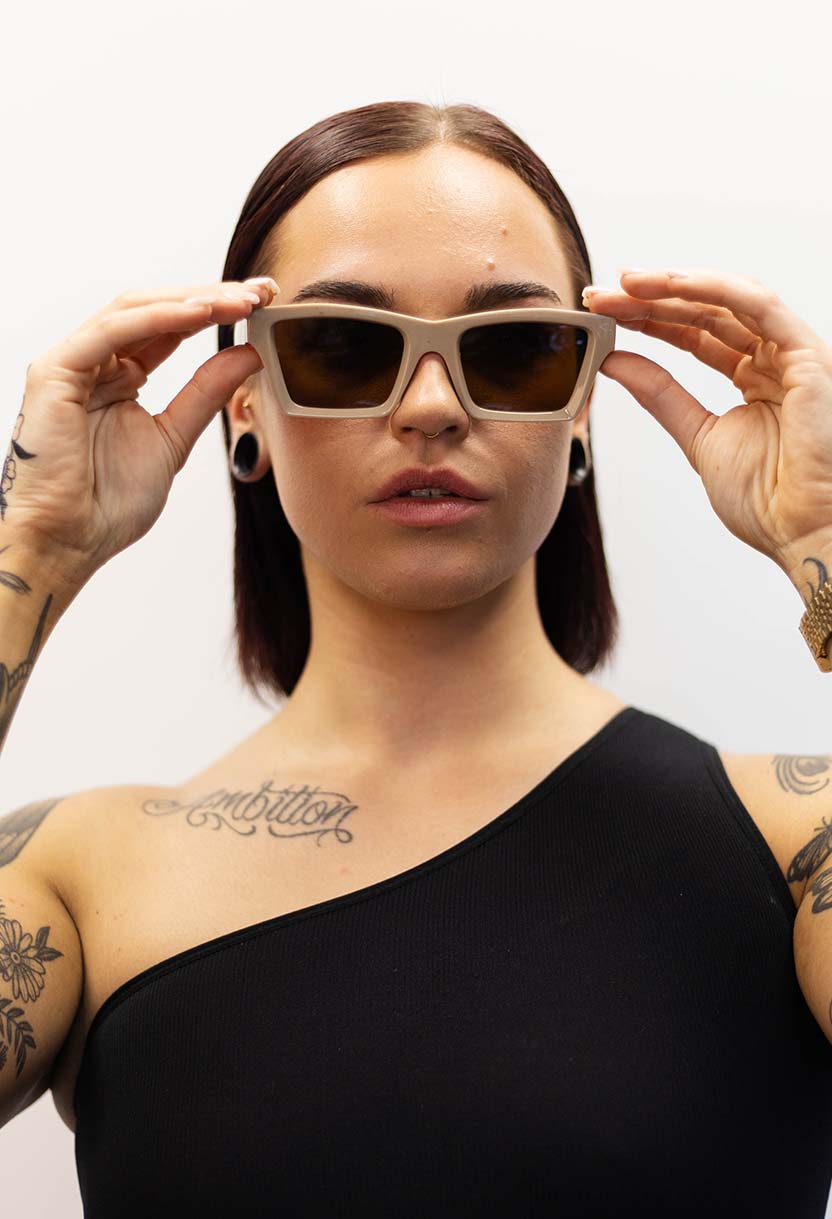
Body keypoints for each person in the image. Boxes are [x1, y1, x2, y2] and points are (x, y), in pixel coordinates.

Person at [1, 99, 832, 1217]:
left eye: (514, 350)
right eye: (344, 346)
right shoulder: (78, 879)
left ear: (581, 406)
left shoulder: (792, 846)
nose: (431, 407)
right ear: (244, 404)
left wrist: (823, 534)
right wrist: (33, 546)